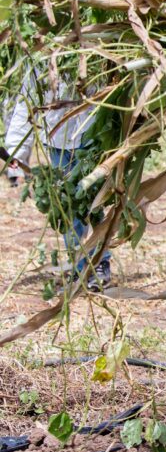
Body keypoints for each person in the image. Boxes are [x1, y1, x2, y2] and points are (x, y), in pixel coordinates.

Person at [4, 68, 112, 289]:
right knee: (69, 206)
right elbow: (27, 102)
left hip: (92, 137)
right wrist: (15, 151)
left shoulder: (94, 52)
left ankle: (100, 262)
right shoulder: (41, 63)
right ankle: (77, 264)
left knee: (94, 202)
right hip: (57, 141)